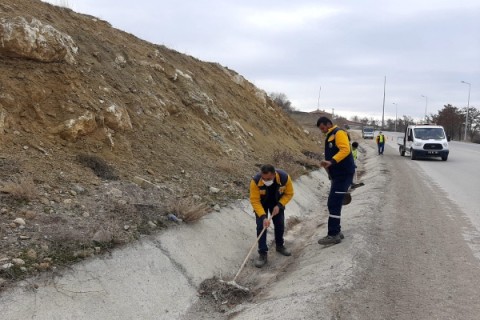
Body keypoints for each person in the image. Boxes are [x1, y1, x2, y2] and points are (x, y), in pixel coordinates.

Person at [316, 117, 355, 245]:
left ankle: (333, 234)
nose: (322, 131)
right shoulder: (330, 135)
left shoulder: (339, 133)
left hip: (343, 174)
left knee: (333, 203)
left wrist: (331, 161)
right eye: (321, 129)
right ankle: (336, 231)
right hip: (338, 175)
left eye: (323, 128)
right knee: (335, 202)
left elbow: (345, 150)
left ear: (329, 124)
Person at [250, 164, 294, 268]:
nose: (266, 180)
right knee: (261, 226)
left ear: (274, 175)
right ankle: (262, 253)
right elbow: (255, 201)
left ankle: (279, 246)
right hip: (261, 204)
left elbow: (289, 193)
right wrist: (263, 216)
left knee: (279, 224)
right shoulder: (255, 181)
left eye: (269, 178)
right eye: (264, 178)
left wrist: (279, 205)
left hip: (277, 202)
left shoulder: (284, 178)